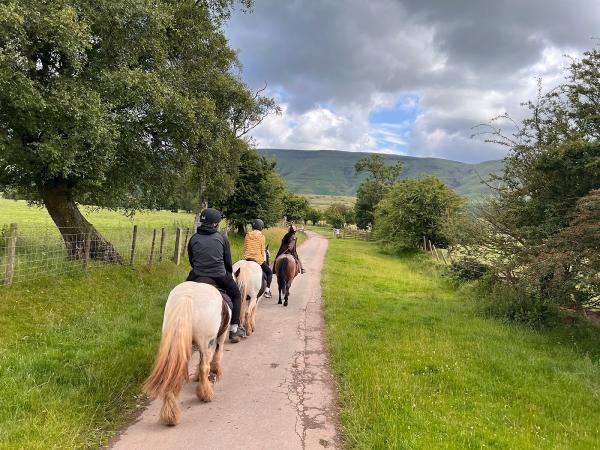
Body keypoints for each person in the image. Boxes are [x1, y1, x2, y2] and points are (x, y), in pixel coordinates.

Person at [186, 208, 245, 343]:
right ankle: (234, 329)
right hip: (218, 274)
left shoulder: (193, 238)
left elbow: (192, 259)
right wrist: (228, 274)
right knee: (236, 295)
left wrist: (198, 268)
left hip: (197, 274)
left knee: (181, 293)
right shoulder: (221, 238)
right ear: (215, 224)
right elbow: (228, 262)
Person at [243, 219, 273, 298]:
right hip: (258, 260)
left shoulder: (247, 235)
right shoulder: (262, 236)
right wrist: (264, 260)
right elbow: (262, 250)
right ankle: (267, 291)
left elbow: (245, 248)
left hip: (247, 258)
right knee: (269, 273)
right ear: (261, 227)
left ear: (253, 226)